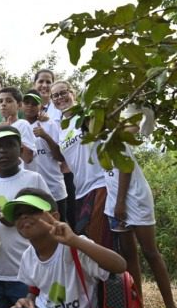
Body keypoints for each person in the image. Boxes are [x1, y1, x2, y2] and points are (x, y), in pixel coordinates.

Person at [0, 126, 51, 308]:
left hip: (24, 274)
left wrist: (16, 220)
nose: (3, 151)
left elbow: (51, 216)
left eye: (9, 145)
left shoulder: (33, 179)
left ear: (21, 149)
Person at [104, 142, 177, 308]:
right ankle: (138, 306)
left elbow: (126, 168)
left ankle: (171, 307)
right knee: (128, 254)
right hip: (114, 202)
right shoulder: (93, 141)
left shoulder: (113, 137)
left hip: (135, 199)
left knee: (150, 252)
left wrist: (121, 202)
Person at [50, 81, 112, 249]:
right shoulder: (61, 126)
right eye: (55, 95)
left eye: (63, 92)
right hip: (81, 189)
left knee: (101, 242)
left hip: (100, 183)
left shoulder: (85, 114)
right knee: (88, 240)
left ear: (73, 94)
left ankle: (116, 275)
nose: (60, 98)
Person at [34, 69, 76, 227]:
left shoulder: (58, 108)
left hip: (67, 170)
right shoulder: (32, 110)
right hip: (48, 173)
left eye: (48, 82)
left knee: (71, 216)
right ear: (34, 84)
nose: (44, 85)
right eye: (41, 82)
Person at [22, 90, 68, 221]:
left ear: (41, 107)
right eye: (27, 103)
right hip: (31, 190)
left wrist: (45, 136)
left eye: (34, 104)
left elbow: (60, 157)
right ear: (21, 105)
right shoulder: (19, 127)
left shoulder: (50, 124)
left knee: (60, 226)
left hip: (54, 188)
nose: (30, 106)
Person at [0, 87, 36, 165]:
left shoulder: (23, 124)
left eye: (9, 101)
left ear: (19, 105)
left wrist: (9, 132)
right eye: (0, 101)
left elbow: (28, 158)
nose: (3, 104)